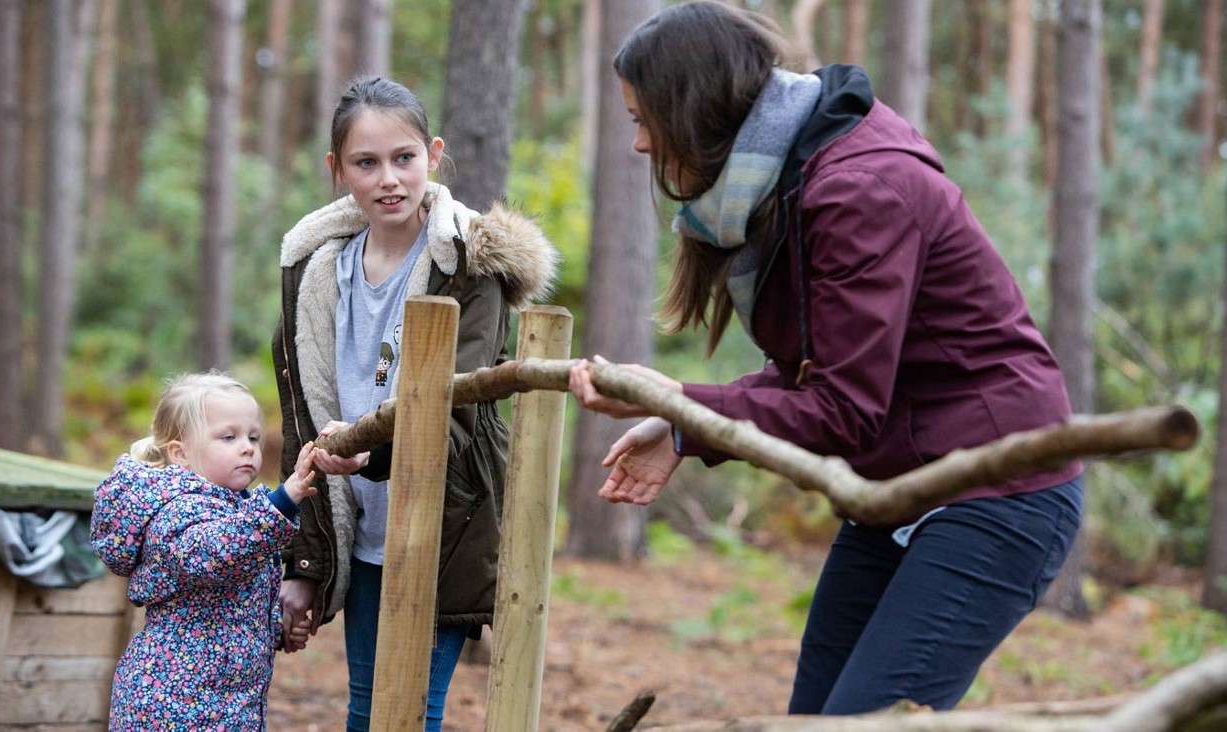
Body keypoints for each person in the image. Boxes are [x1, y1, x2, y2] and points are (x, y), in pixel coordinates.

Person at [567, 1, 1084, 716]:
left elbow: (843, 410)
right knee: (815, 722)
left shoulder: (858, 188)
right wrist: (682, 429)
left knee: (861, 725)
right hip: (901, 480)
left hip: (997, 485)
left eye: (643, 119)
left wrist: (679, 404)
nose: (641, 145)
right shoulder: (792, 173)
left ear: (695, 109)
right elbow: (818, 370)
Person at [271, 76, 557, 732]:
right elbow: (304, 421)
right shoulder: (318, 271)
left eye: (403, 158)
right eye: (366, 163)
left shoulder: (470, 268)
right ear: (337, 170)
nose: (389, 179)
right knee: (367, 708)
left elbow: (457, 417)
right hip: (360, 531)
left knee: (409, 713)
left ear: (432, 153)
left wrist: (372, 449)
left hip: (442, 526)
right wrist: (306, 561)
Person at [90, 372, 317, 730]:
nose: (248, 447)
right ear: (180, 453)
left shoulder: (234, 509)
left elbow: (221, 607)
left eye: (253, 437)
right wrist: (282, 501)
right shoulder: (176, 511)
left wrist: (274, 627)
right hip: (173, 705)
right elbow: (214, 555)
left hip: (218, 703)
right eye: (229, 437)